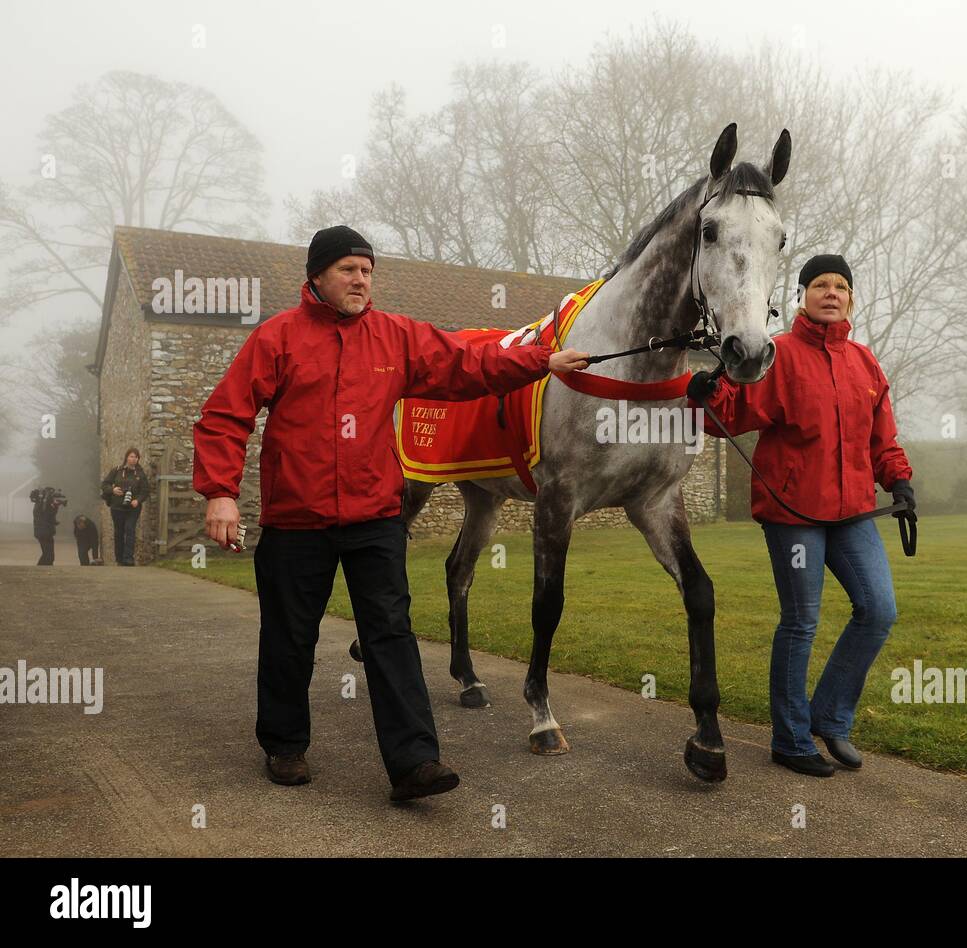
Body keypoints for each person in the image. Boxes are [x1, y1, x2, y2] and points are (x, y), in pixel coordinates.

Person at [193, 225, 591, 803]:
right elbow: (225, 416)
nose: (362, 280)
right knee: (288, 638)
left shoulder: (397, 337)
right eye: (349, 270)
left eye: (368, 270)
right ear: (318, 276)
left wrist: (542, 361)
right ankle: (284, 746)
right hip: (294, 520)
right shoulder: (276, 338)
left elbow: (470, 365)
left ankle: (414, 764)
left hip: (374, 517)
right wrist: (220, 491)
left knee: (392, 637)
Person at [688, 253, 917, 778]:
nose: (831, 292)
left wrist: (899, 481)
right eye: (820, 285)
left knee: (878, 610)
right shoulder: (780, 355)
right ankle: (790, 740)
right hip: (793, 513)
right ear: (803, 296)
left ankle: (831, 719)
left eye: (841, 286)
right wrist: (705, 396)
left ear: (851, 298)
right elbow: (732, 416)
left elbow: (882, 440)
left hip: (854, 510)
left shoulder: (865, 364)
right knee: (802, 622)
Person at [100, 448, 150, 566]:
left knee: (130, 529)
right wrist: (113, 490)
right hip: (117, 507)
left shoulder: (140, 474)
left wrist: (138, 500)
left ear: (138, 459)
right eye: (131, 456)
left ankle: (128, 558)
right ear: (126, 457)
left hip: (133, 508)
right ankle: (119, 558)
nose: (133, 459)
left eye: (136, 457)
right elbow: (104, 484)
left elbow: (145, 490)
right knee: (119, 532)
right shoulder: (116, 470)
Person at [31, 488, 64, 566]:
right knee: (49, 555)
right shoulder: (41, 505)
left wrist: (54, 505)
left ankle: (42, 569)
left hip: (45, 533)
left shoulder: (41, 505)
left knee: (48, 555)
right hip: (44, 533)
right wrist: (55, 506)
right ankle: (41, 569)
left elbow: (49, 516)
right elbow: (48, 516)